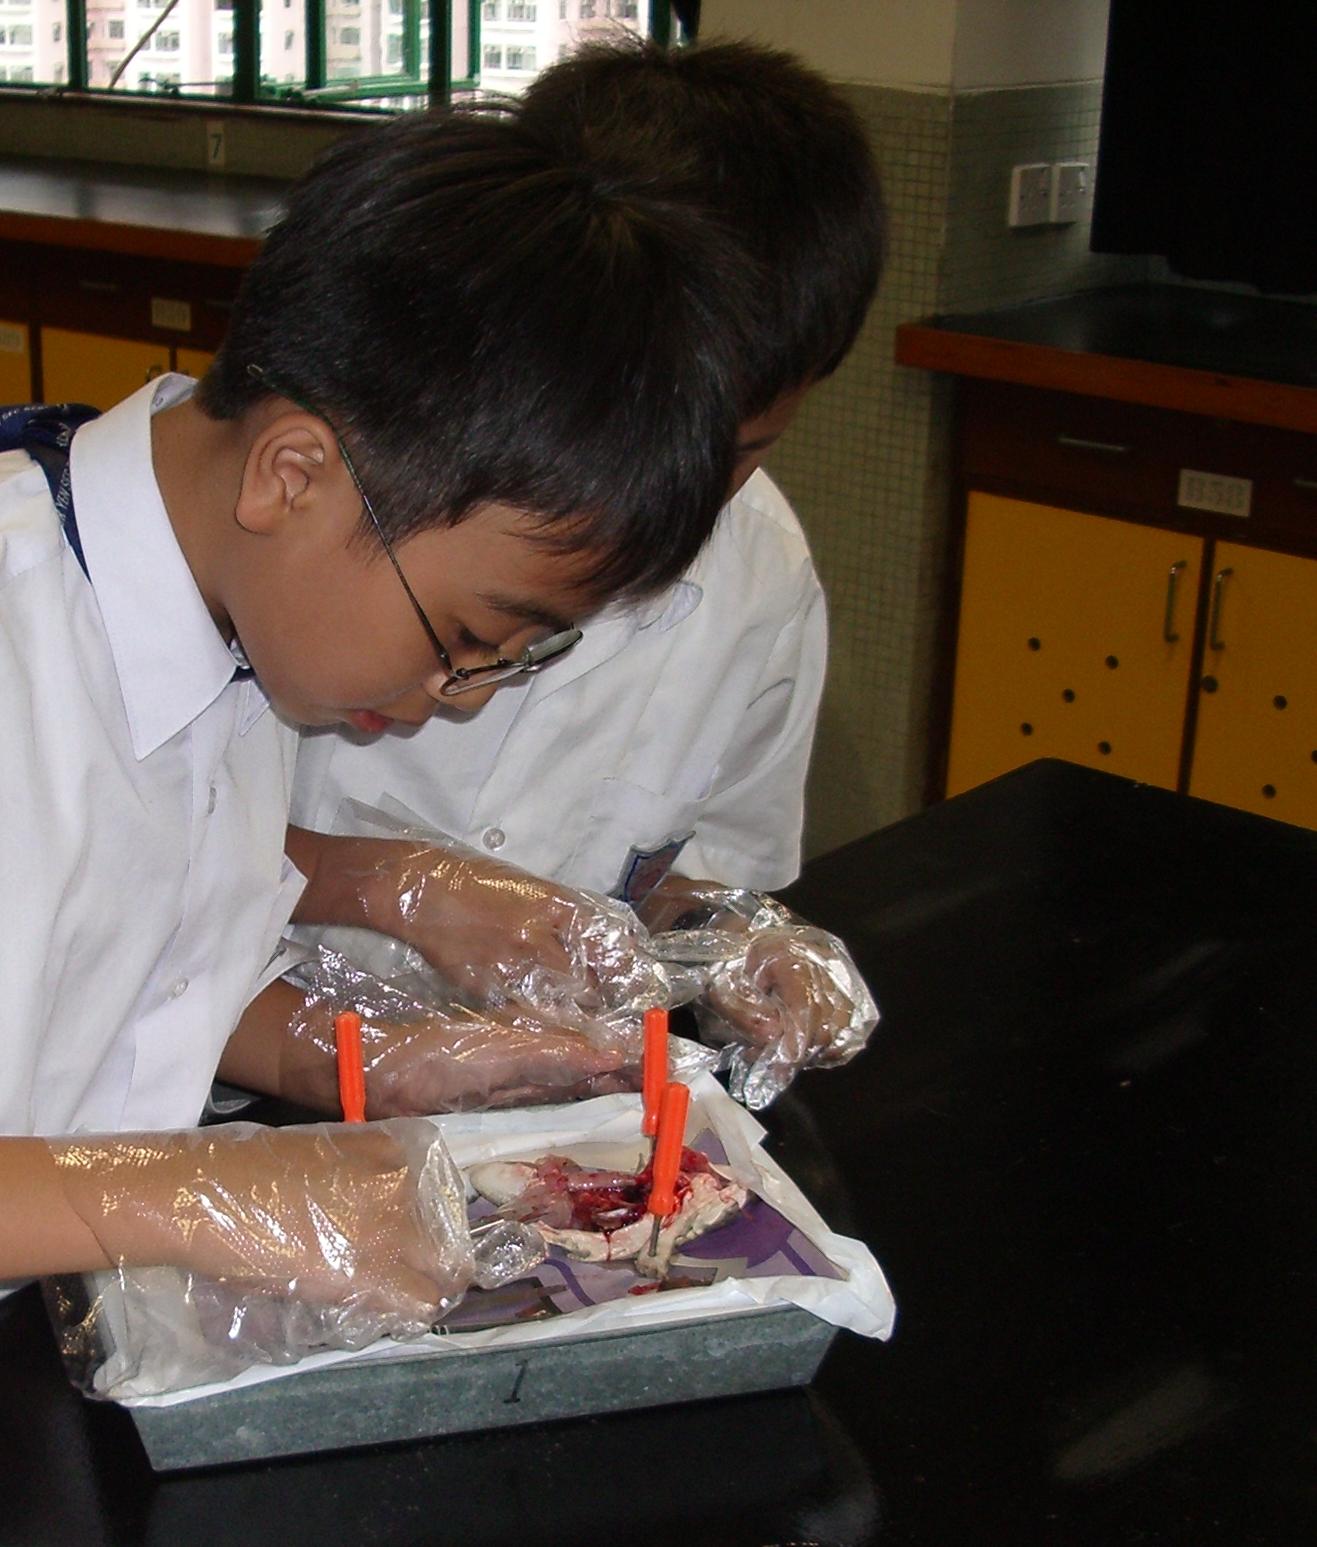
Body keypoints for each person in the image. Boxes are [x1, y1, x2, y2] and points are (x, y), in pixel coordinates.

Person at [0, 108, 770, 1384]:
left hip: (43, 1311)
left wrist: (379, 1064)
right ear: (290, 475)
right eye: (466, 636)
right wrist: (192, 1193)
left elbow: (118, 987)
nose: (464, 696)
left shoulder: (233, 612)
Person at [281, 40, 887, 1101]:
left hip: (518, 1103)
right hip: (237, 1076)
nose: (666, 503)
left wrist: (728, 939)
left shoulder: (763, 579)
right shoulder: (349, 510)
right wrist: (392, 890)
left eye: (733, 455)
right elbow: (138, 853)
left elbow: (683, 871)